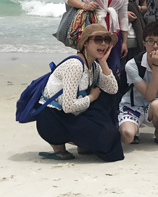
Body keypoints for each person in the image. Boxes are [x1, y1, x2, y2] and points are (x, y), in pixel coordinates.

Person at [35, 24, 123, 162]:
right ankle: (61, 145)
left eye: (106, 40)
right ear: (85, 43)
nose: (103, 44)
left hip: (71, 114)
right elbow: (68, 106)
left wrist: (103, 62)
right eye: (98, 39)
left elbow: (113, 89)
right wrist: (92, 97)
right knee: (108, 136)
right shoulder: (75, 65)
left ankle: (84, 144)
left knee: (109, 100)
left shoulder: (94, 66)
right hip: (52, 119)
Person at [118, 21, 158, 147]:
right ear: (144, 43)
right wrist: (156, 65)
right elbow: (150, 95)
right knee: (127, 136)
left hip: (154, 106)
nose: (155, 46)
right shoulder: (132, 65)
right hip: (132, 106)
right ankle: (133, 129)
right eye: (151, 41)